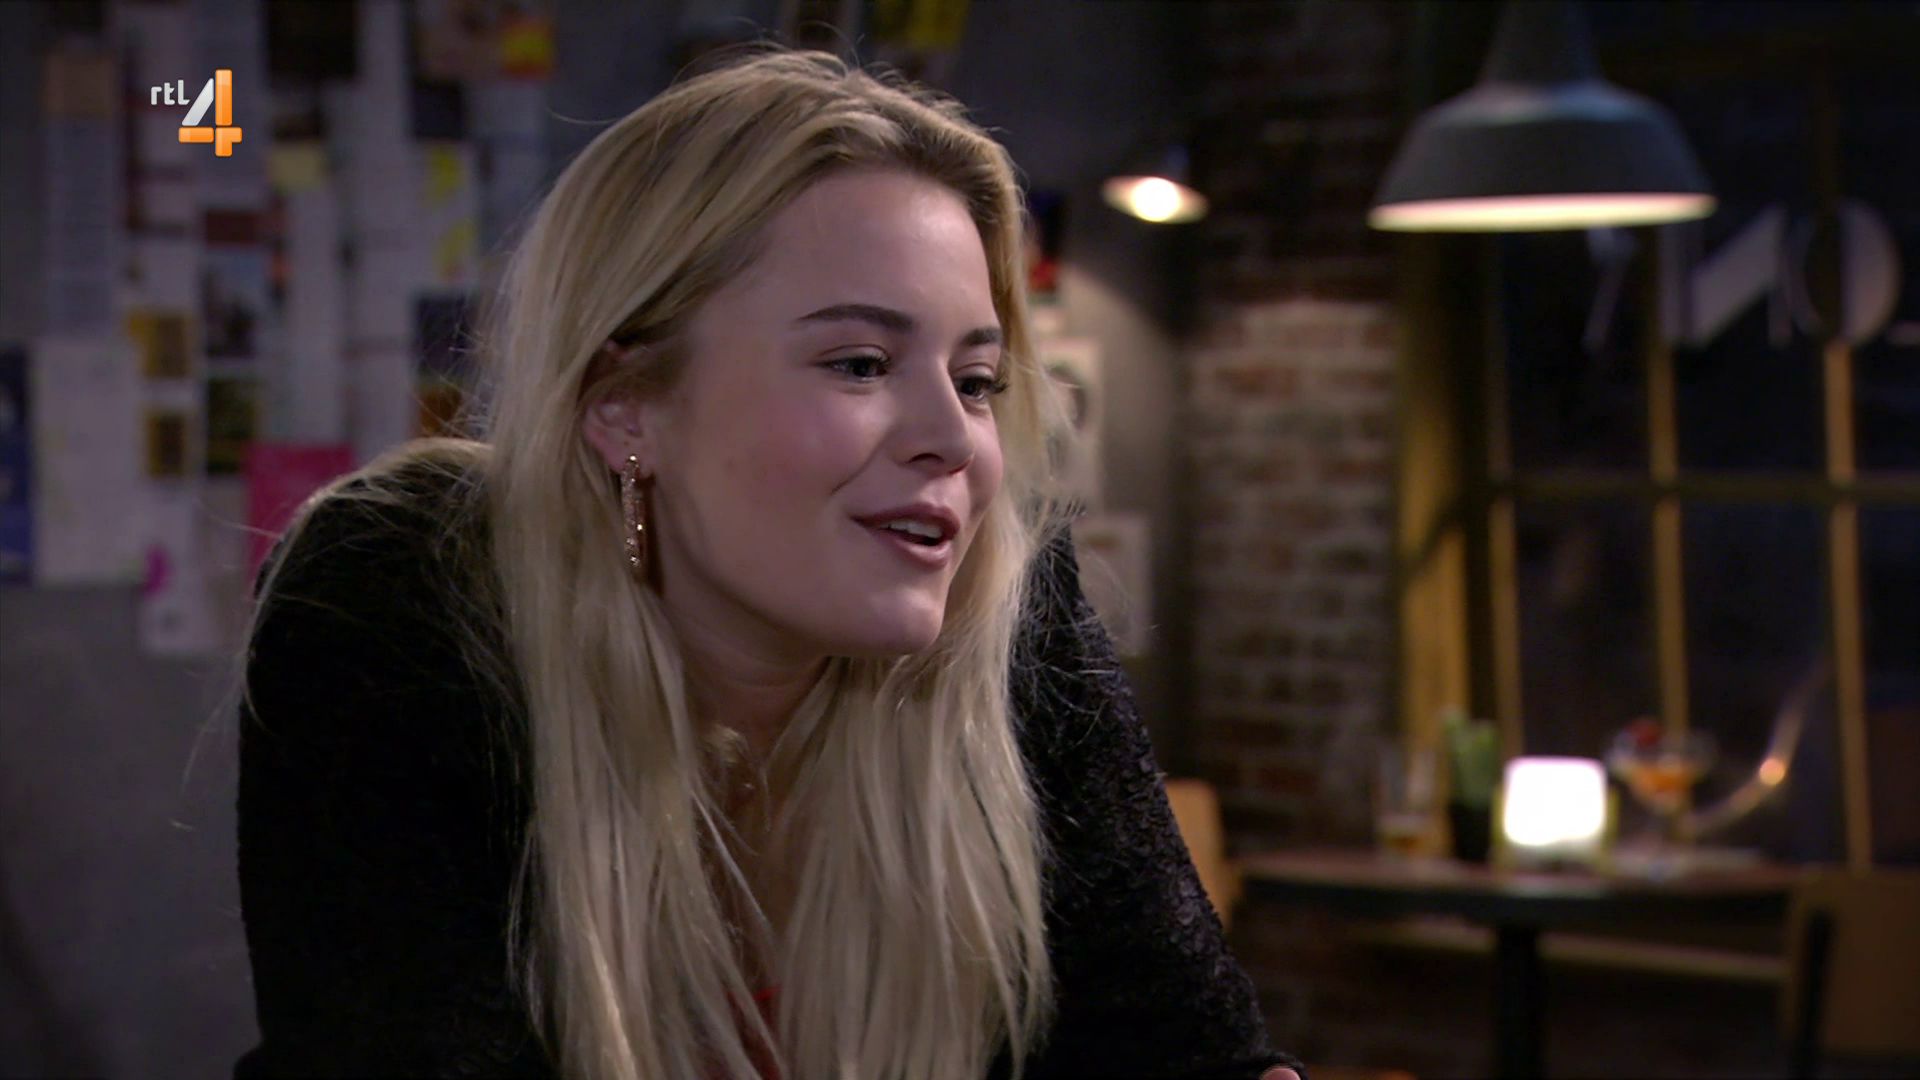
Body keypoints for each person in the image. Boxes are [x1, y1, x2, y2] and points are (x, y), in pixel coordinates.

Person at [232, 46, 1304, 1080]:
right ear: (626, 407)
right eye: (861, 364)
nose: (954, 439)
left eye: (977, 381)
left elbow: (1188, 1051)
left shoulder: (1010, 603)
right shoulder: (405, 591)